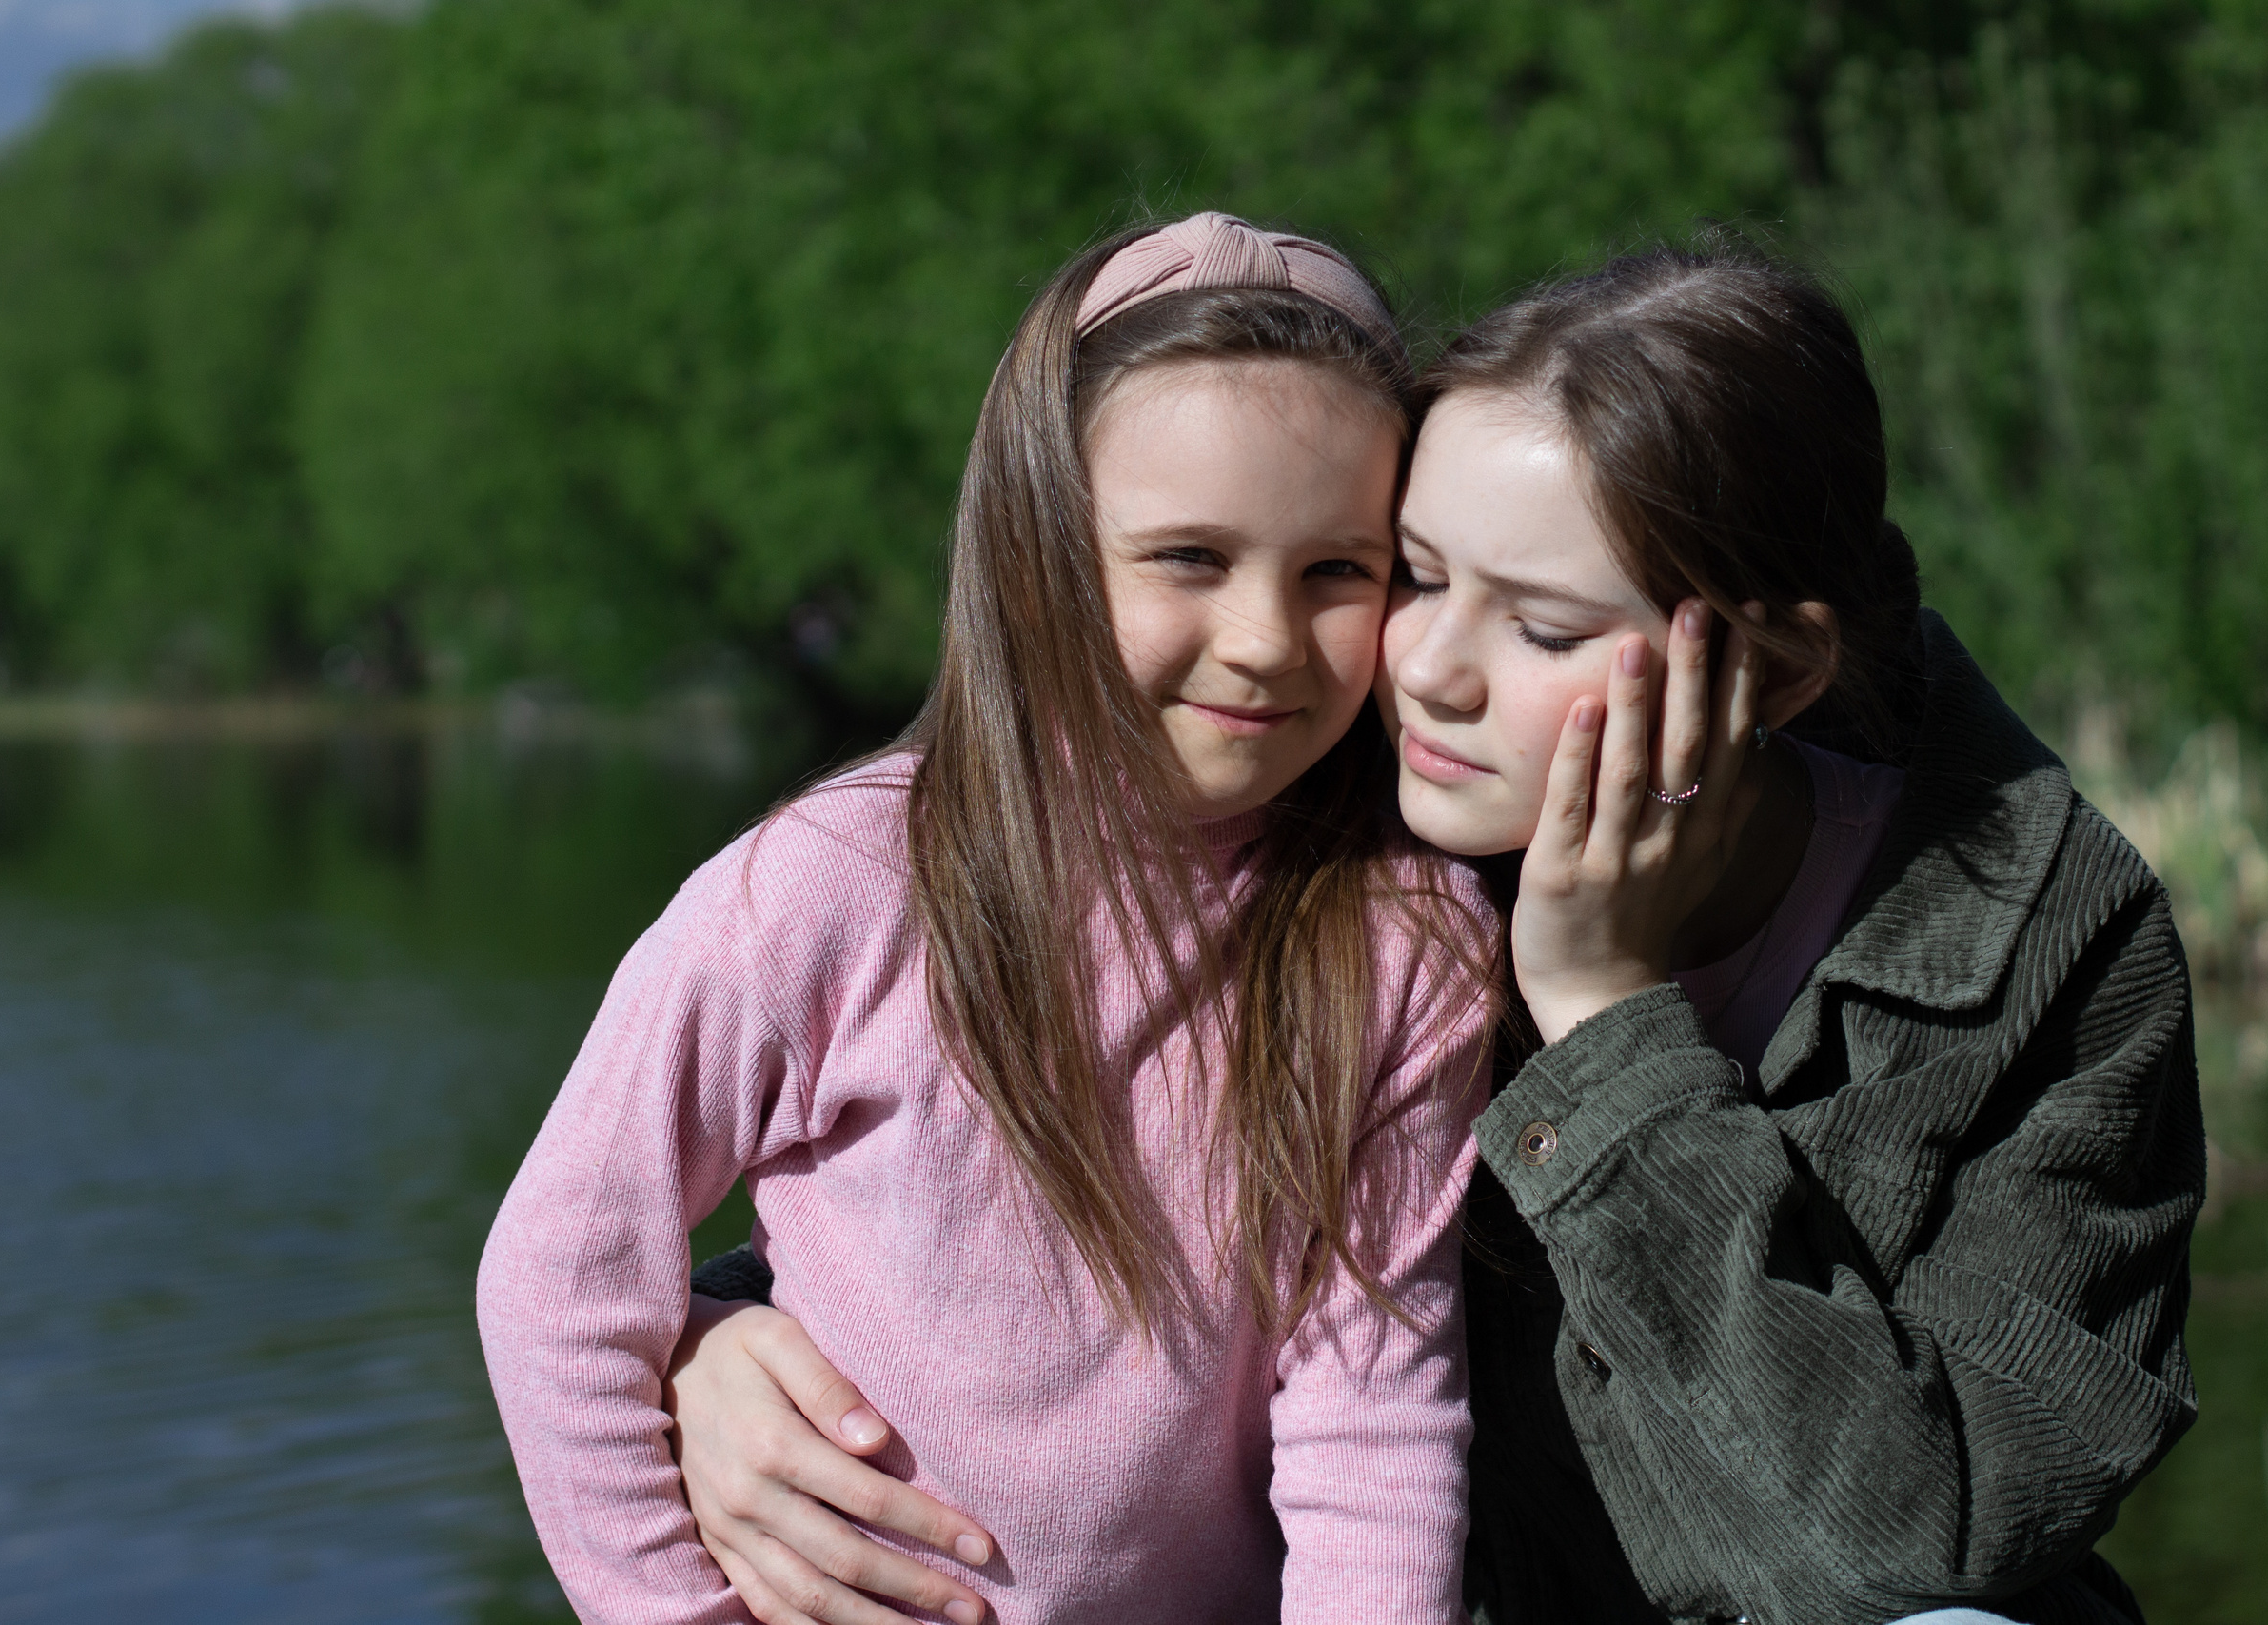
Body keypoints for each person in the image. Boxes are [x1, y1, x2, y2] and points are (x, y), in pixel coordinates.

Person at [661, 240, 2205, 1625]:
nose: (1432, 676)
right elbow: (991, 1193)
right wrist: (714, 1343)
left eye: (1542, 629)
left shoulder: (2049, 944)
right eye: (1412, 576)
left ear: (1781, 673)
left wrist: (1605, 1027)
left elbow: (1929, 1542)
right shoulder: (1338, 834)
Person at [475, 212, 1500, 1625]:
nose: (1267, 637)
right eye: (1190, 558)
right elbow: (564, 1279)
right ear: (1037, 558)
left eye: (1338, 571)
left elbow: (1374, 1414)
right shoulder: (834, 883)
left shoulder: (1402, 940)